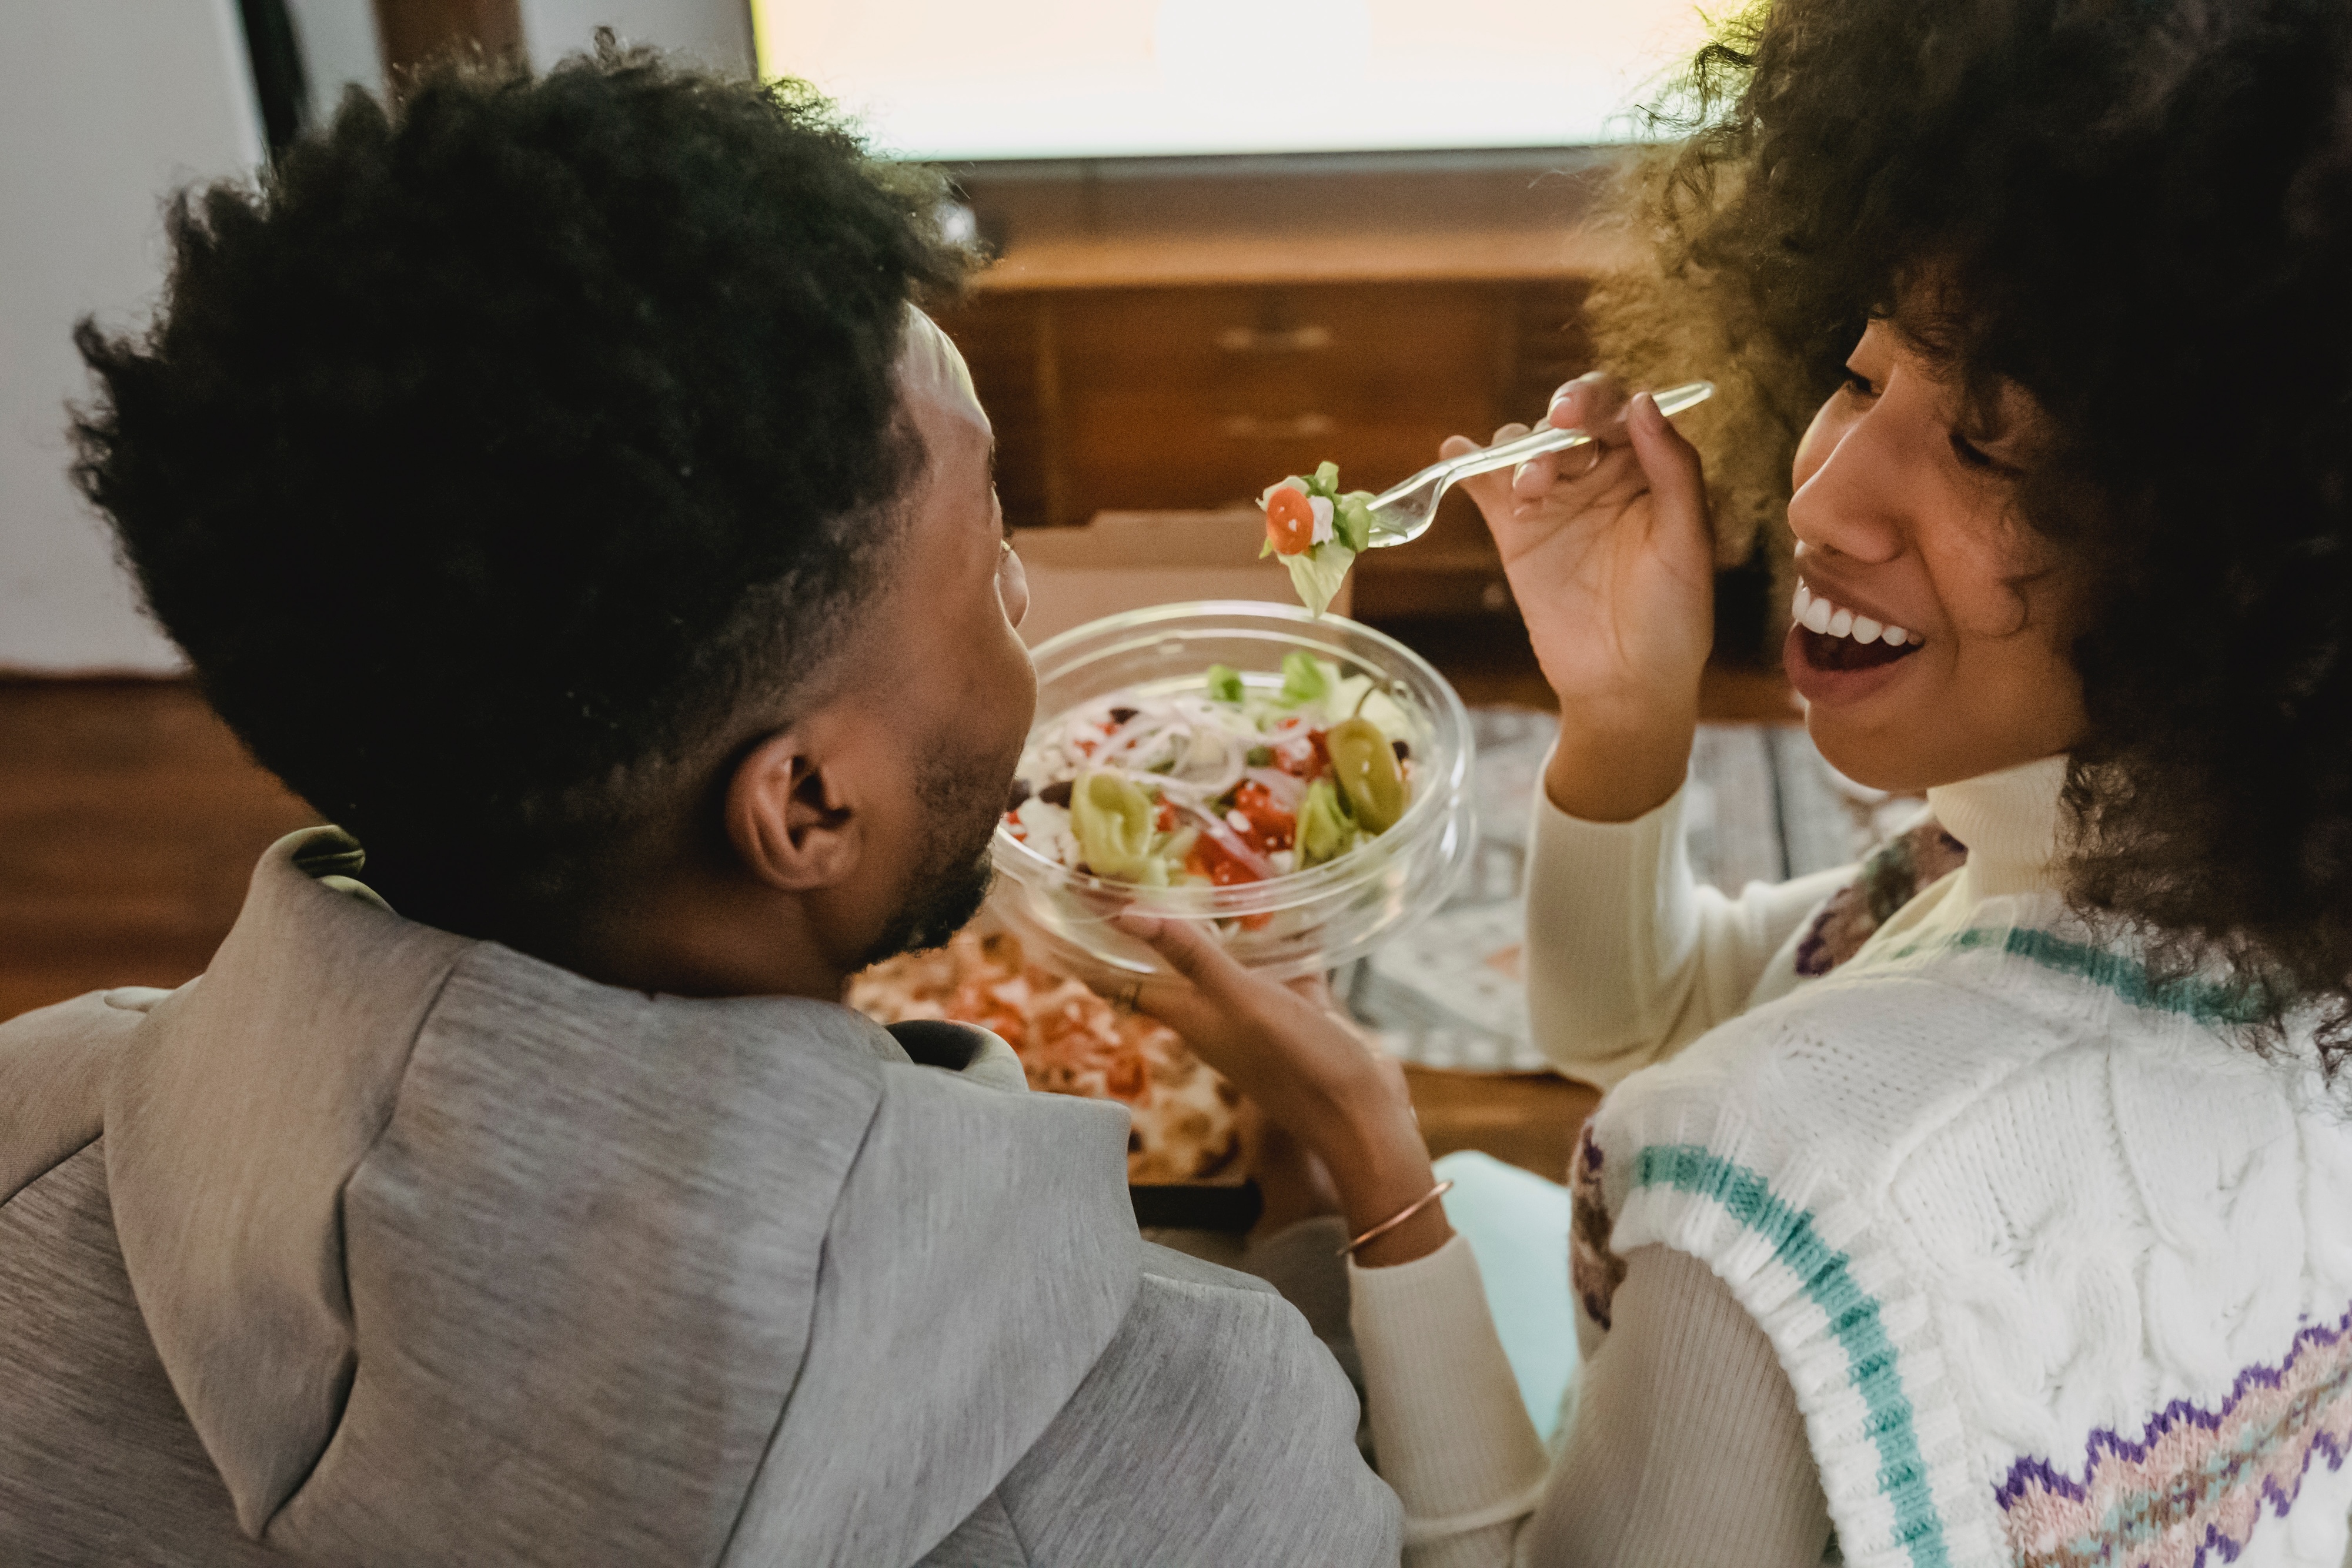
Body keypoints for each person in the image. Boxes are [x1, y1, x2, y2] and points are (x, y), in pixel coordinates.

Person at [0, 47, 1399, 1566]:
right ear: (803, 805)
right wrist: (1351, 1198)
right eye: (991, 554)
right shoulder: (1195, 1441)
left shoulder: (29, 1129)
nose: (1022, 593)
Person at [1121, 0, 2352, 1563]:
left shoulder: (1769, 1182)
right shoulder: (2137, 870)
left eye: (1986, 447)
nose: (1823, 493)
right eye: (1860, 372)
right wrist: (1628, 713)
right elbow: (1646, 1010)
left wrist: (1373, 1154)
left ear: (2217, 543)